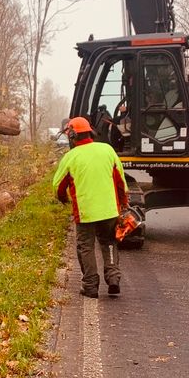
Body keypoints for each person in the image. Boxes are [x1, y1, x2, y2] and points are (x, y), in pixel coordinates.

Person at [52, 116, 129, 299]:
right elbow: (120, 181)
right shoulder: (107, 150)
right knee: (109, 242)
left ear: (72, 136)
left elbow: (58, 186)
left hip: (85, 213)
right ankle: (113, 279)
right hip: (109, 210)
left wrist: (63, 199)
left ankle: (90, 286)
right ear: (90, 132)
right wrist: (123, 202)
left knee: (85, 247)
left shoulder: (70, 157)